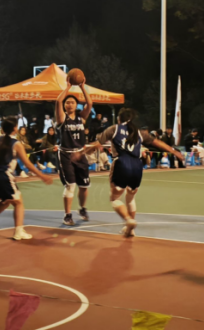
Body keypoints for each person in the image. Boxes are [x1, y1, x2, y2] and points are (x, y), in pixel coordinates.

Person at [97, 108, 185, 237]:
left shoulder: (114, 129)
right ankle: (130, 229)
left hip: (121, 163)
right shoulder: (139, 132)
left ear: (119, 119)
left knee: (115, 198)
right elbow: (157, 142)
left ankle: (128, 220)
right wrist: (174, 152)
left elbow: (97, 143)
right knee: (130, 196)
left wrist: (82, 152)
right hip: (137, 166)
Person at [0, 117, 53, 240]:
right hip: (3, 175)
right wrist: (42, 175)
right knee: (19, 203)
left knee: (6, 201)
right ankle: (18, 231)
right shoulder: (16, 143)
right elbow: (28, 164)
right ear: (15, 128)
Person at [55, 76, 93, 225]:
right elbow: (58, 101)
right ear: (65, 105)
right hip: (66, 154)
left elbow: (90, 103)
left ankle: (82, 209)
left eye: (72, 102)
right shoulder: (62, 118)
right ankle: (67, 215)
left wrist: (82, 87)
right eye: (67, 102)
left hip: (80, 154)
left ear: (77, 105)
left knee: (84, 186)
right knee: (70, 185)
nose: (70, 104)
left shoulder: (81, 117)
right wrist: (68, 87)